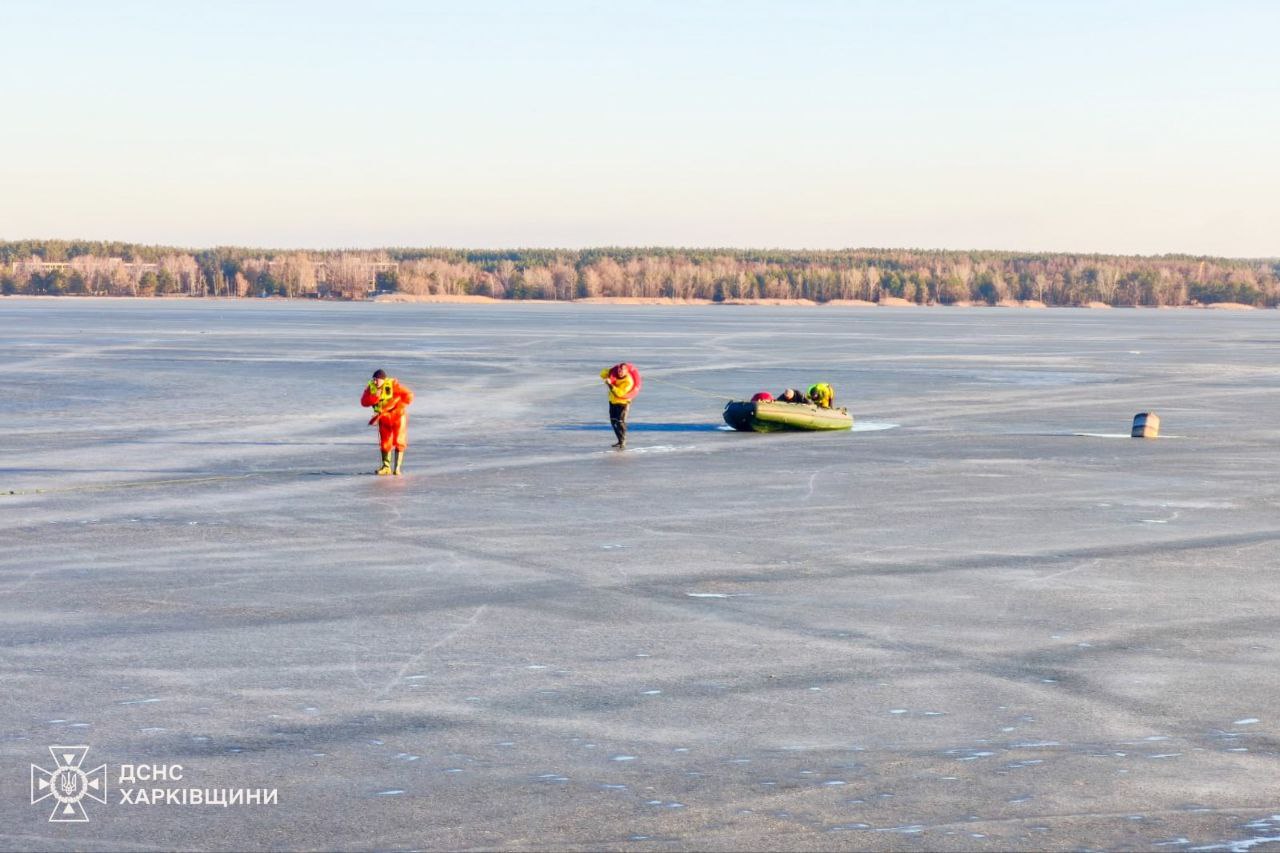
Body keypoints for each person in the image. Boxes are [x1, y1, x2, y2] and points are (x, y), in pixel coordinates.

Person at [360, 369, 414, 475]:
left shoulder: (393, 386)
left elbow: (409, 395)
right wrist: (375, 397)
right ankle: (386, 467)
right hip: (383, 417)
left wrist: (400, 405)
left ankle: (397, 468)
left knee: (399, 441)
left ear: (383, 380)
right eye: (374, 379)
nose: (375, 382)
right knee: (385, 442)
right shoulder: (371, 388)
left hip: (398, 416)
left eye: (377, 380)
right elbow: (364, 402)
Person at [600, 362, 641, 449]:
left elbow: (619, 393)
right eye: (619, 370)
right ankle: (619, 440)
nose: (620, 372)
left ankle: (623, 441)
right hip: (612, 402)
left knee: (620, 422)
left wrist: (610, 384)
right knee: (613, 422)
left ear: (626, 371)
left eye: (622, 371)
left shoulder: (628, 381)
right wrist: (610, 371)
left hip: (623, 403)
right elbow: (602, 374)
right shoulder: (615, 373)